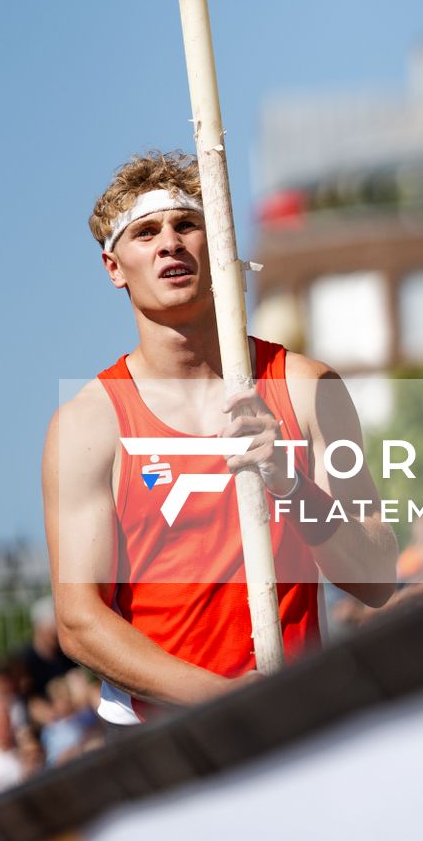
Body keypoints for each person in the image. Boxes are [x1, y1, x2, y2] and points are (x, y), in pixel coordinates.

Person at [43, 150, 396, 726]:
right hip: (162, 741)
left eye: (187, 225)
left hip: (296, 721)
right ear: (113, 267)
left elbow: (377, 577)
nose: (170, 245)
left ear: (220, 246)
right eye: (146, 233)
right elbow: (80, 622)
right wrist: (220, 701)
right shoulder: (89, 423)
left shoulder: (305, 388)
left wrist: (293, 485)